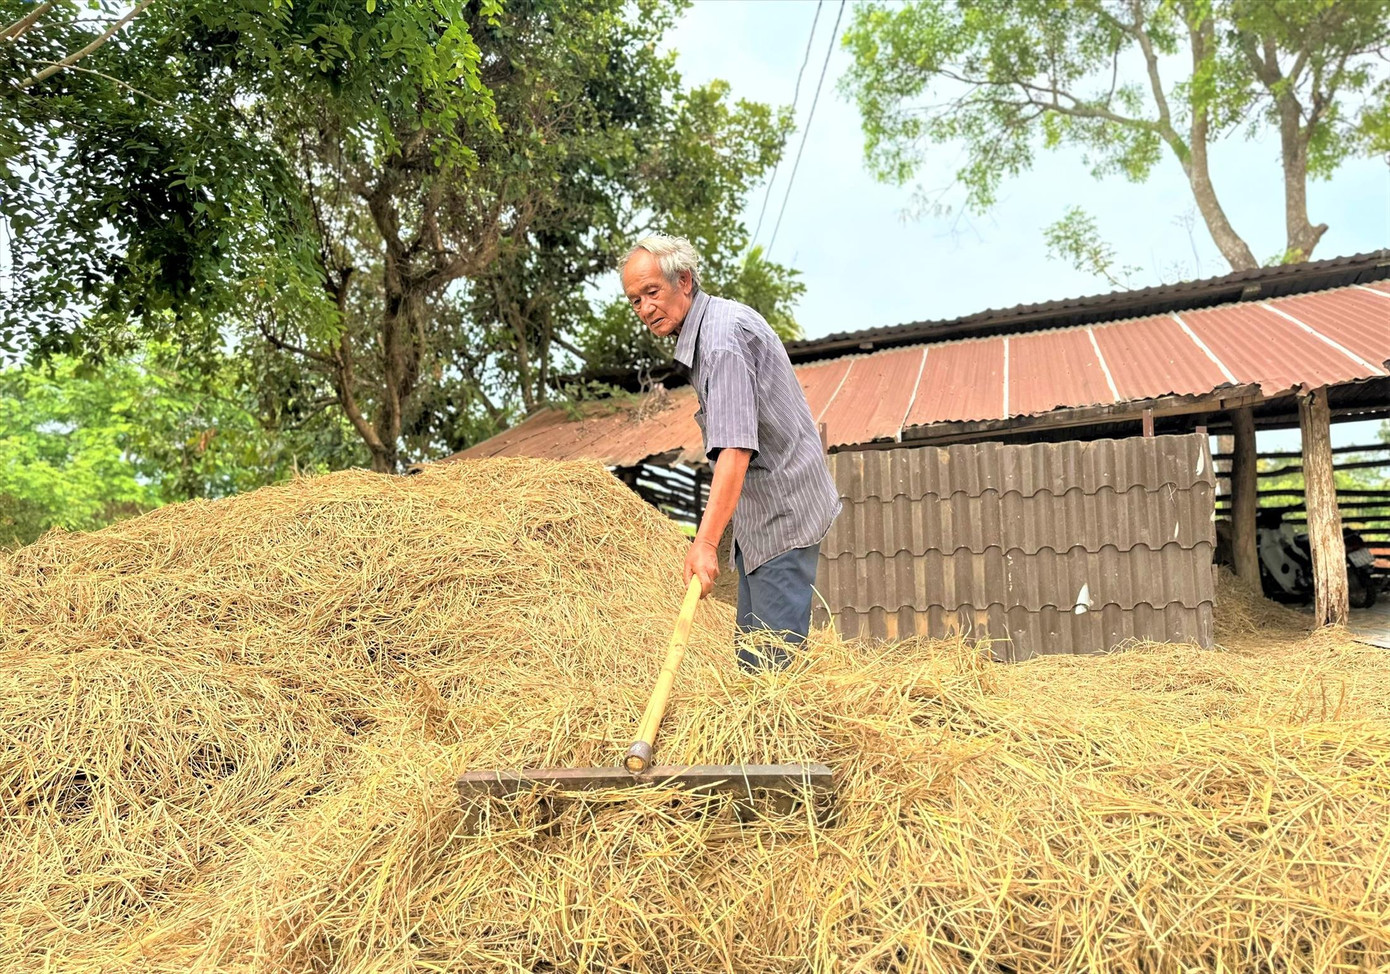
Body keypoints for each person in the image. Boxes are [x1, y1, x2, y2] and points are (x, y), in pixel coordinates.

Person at [621, 234, 841, 671]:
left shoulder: (721, 338)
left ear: (683, 281)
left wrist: (704, 542)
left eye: (652, 292)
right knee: (752, 654)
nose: (645, 308)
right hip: (762, 516)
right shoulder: (709, 332)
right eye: (634, 301)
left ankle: (781, 737)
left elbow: (736, 449)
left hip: (784, 510)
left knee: (773, 670)